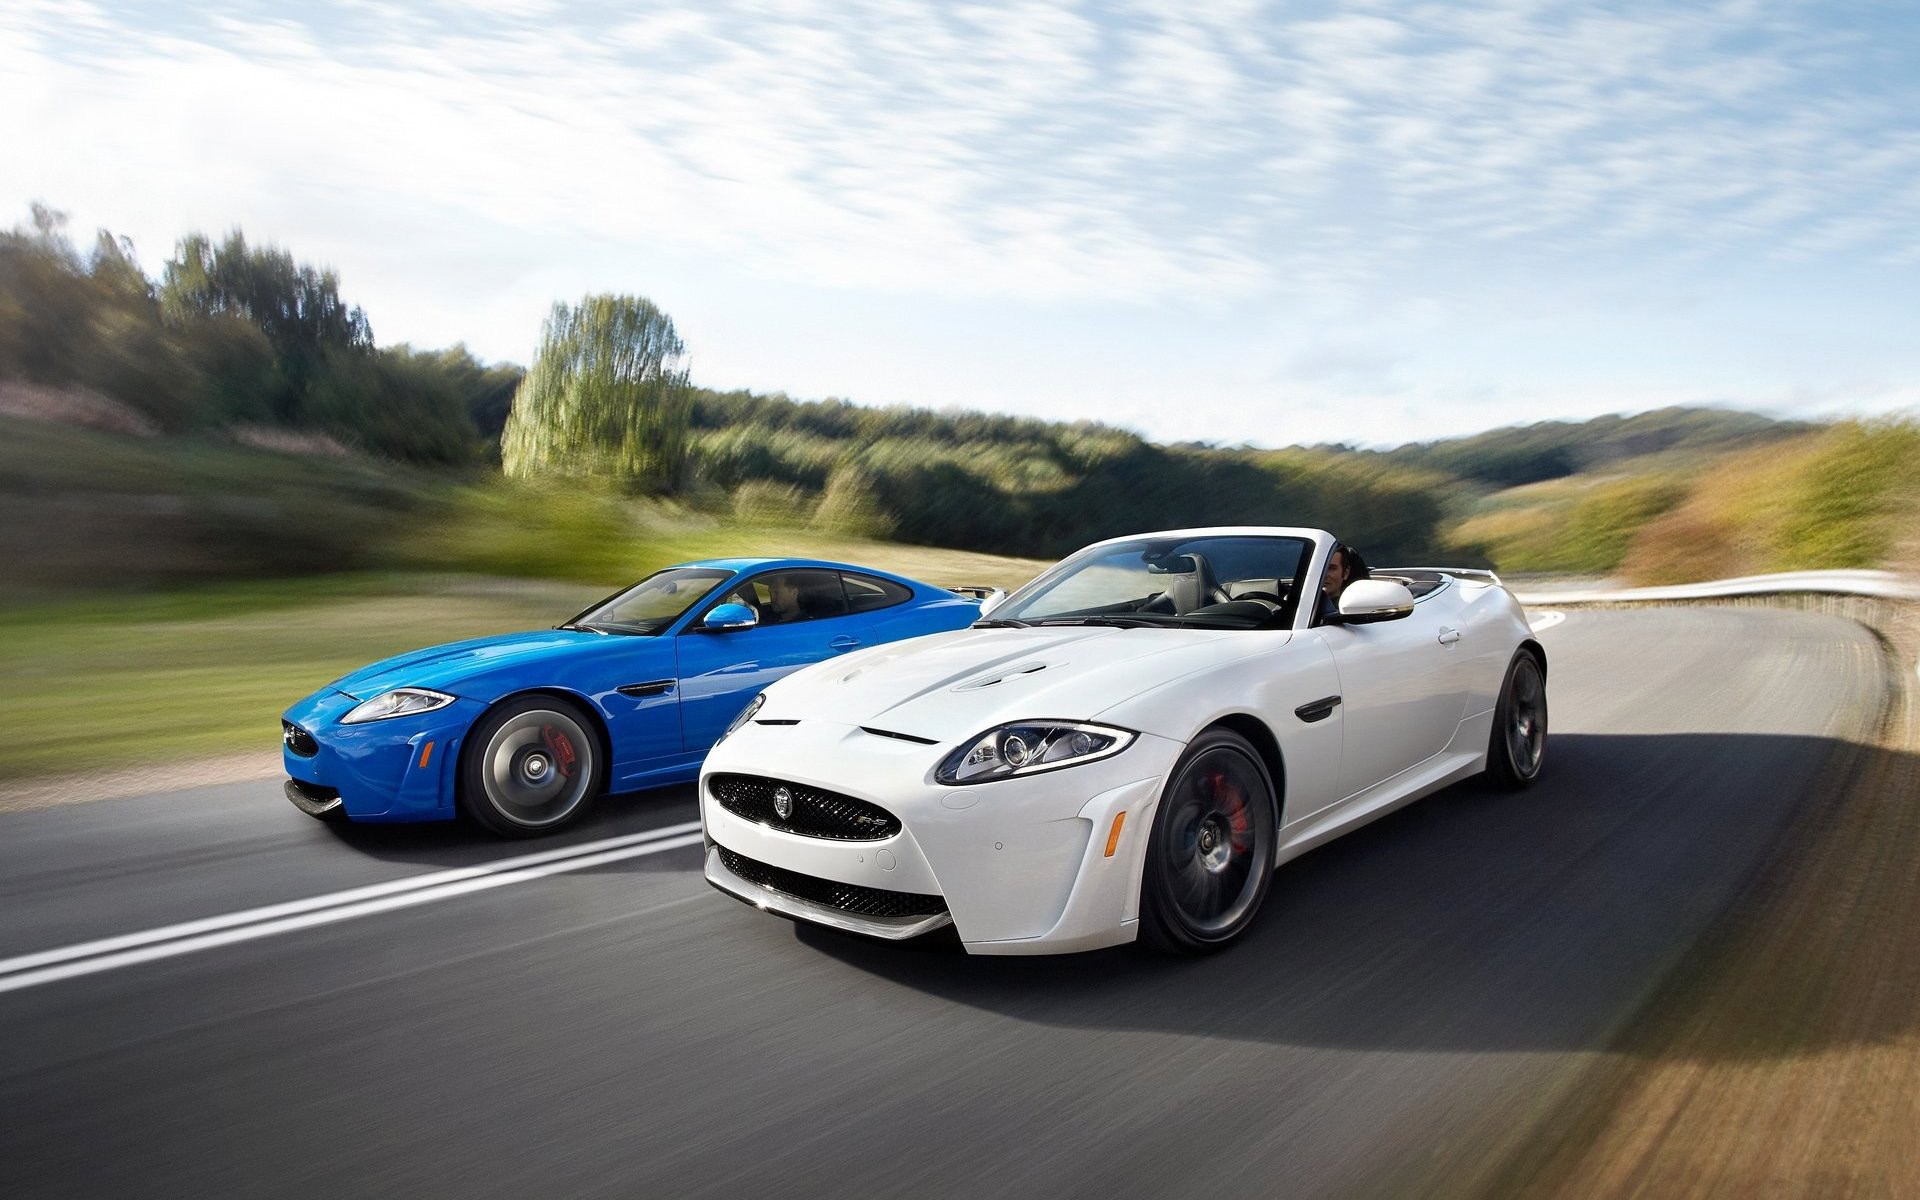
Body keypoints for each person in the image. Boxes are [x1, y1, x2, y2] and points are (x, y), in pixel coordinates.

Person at [1315, 543, 1369, 625]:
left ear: (1346, 573)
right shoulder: (1293, 605)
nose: (1324, 575)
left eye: (1332, 568)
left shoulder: (1352, 614)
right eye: (1320, 568)